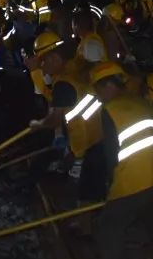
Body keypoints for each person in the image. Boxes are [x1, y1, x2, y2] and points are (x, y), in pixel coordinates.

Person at [92, 60, 153, 259]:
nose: (98, 96)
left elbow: (111, 154)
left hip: (133, 180)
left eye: (99, 90)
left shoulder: (111, 109)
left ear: (109, 85)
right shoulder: (144, 103)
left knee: (110, 225)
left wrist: (110, 186)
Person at [28, 32, 106, 210]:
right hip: (99, 131)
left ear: (54, 58)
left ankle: (79, 218)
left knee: (77, 186)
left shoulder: (63, 85)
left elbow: (54, 119)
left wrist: (37, 125)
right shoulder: (74, 66)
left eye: (43, 62)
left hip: (85, 141)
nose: (43, 68)